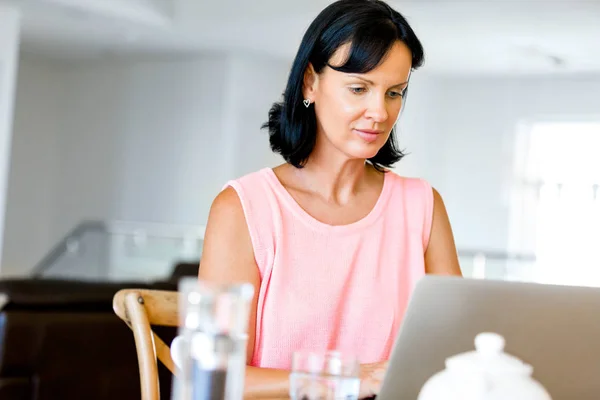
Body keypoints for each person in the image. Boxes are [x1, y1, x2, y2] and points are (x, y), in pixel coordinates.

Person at [198, 0, 462, 398]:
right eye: (359, 88)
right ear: (310, 83)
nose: (380, 112)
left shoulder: (422, 206)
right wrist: (348, 379)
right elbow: (213, 378)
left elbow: (456, 355)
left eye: (395, 93)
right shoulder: (243, 209)